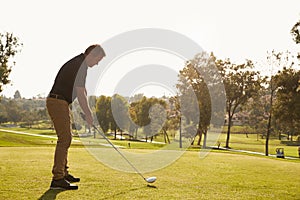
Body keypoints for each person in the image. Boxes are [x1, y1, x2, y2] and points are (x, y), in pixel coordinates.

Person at [46, 44, 105, 190]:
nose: (97, 64)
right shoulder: (80, 66)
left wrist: (88, 112)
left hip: (61, 101)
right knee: (65, 138)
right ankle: (57, 178)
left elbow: (82, 90)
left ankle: (63, 173)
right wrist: (89, 114)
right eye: (97, 60)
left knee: (67, 137)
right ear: (91, 54)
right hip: (57, 101)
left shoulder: (80, 64)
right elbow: (80, 94)